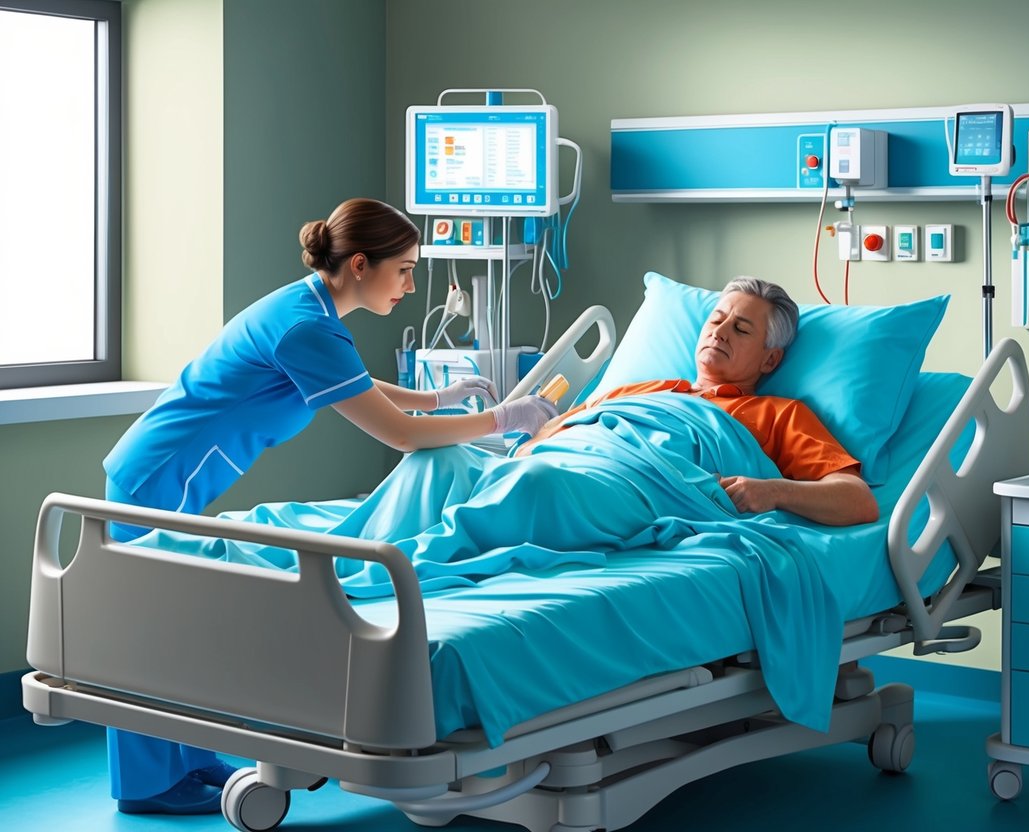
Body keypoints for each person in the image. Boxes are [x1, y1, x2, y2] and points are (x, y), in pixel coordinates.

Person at [100, 197, 556, 815]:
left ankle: (188, 757)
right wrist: (498, 419)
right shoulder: (305, 325)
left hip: (171, 469)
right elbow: (398, 436)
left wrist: (435, 395)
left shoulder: (312, 308)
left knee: (165, 609)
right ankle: (149, 785)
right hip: (161, 473)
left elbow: (353, 387)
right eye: (405, 270)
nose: (411, 285)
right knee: (148, 619)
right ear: (362, 265)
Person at [522, 276, 878, 526]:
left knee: (537, 488)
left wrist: (773, 492)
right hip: (564, 467)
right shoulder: (640, 391)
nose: (719, 333)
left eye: (741, 329)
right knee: (468, 463)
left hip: (618, 489)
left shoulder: (779, 414)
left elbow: (857, 500)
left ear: (770, 360)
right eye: (716, 320)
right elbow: (548, 437)